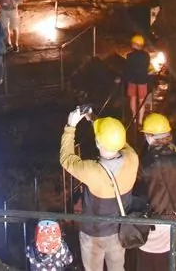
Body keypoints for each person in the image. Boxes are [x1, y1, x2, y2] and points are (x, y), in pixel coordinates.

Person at [59, 110, 138, 271]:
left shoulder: (92, 170)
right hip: (118, 231)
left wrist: (70, 126)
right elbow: (119, 141)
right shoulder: (132, 158)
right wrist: (94, 120)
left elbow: (66, 159)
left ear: (97, 142)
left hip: (93, 234)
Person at [136, 113, 176, 271]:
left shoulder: (144, 164)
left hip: (150, 227)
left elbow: (138, 198)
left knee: (146, 264)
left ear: (150, 137)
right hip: (173, 226)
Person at [123, 35, 151, 128]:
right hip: (142, 80)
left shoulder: (129, 56)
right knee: (141, 101)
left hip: (132, 81)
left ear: (134, 44)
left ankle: (134, 119)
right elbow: (147, 67)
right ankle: (140, 121)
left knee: (133, 99)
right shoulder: (146, 56)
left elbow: (127, 69)